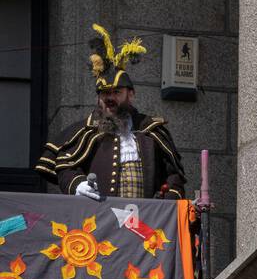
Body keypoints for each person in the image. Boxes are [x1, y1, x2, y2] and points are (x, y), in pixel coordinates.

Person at [35, 25, 185, 200]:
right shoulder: (85, 130)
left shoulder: (151, 130)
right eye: (105, 93)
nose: (110, 98)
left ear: (131, 94)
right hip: (99, 220)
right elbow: (65, 167)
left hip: (147, 219)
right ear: (98, 98)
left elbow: (174, 175)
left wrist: (169, 200)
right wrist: (77, 184)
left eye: (116, 92)